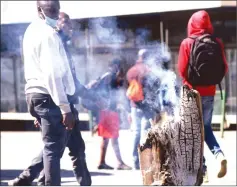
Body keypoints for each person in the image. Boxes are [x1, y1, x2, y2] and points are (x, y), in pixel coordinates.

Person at [8, 6, 96, 186]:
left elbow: (69, 80)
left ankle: (31, 179)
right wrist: (62, 108)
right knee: (54, 149)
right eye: (65, 22)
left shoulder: (53, 40)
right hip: (58, 103)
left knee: (66, 148)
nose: (69, 27)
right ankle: (35, 180)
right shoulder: (50, 38)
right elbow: (52, 76)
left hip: (60, 103)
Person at [177, 10, 228, 182]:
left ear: (192, 24)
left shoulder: (187, 43)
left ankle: (202, 170)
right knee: (205, 128)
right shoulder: (217, 42)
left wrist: (189, 83)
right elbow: (225, 68)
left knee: (192, 133)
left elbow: (182, 69)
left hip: (192, 93)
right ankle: (219, 155)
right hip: (210, 93)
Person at [87, 59, 132, 170]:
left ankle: (102, 162)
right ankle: (119, 163)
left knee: (106, 138)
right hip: (109, 111)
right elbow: (109, 93)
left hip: (106, 111)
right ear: (115, 66)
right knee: (113, 137)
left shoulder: (106, 77)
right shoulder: (110, 76)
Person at [126, 49, 151, 170]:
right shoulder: (148, 70)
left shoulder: (131, 70)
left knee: (136, 132)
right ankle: (145, 161)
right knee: (145, 133)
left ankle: (135, 161)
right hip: (146, 105)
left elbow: (129, 86)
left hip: (134, 105)